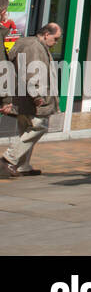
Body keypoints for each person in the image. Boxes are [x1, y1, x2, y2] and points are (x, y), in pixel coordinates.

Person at [2, 22, 62, 177]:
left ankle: (23, 166)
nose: (56, 42)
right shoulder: (34, 47)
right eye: (55, 39)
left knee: (25, 130)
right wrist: (36, 96)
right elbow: (31, 74)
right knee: (38, 127)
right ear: (47, 34)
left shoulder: (28, 43)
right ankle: (9, 158)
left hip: (22, 97)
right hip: (30, 99)